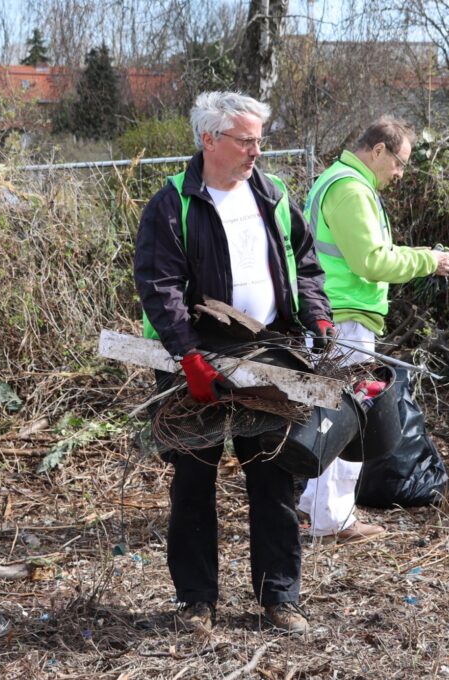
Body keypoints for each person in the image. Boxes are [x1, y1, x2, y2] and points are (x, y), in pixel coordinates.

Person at [134, 91, 333, 634]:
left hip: (269, 353)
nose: (255, 151)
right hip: (194, 361)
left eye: (259, 140)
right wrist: (188, 357)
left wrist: (317, 318)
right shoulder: (172, 203)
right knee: (192, 481)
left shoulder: (272, 194)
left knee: (274, 475)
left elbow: (306, 265)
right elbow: (159, 287)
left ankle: (279, 598)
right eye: (246, 141)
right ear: (209, 139)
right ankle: (196, 602)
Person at [297, 116, 449, 542]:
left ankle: (316, 505)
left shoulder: (337, 180)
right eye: (399, 162)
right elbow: (371, 261)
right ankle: (333, 520)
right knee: (345, 418)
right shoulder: (351, 189)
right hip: (343, 318)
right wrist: (427, 260)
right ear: (379, 150)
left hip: (331, 315)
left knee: (328, 414)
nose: (400, 173)